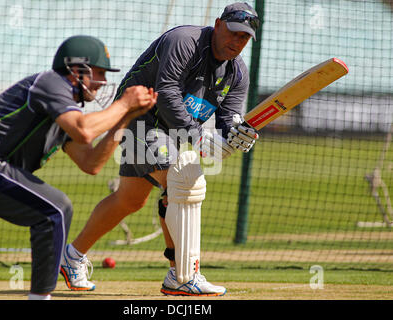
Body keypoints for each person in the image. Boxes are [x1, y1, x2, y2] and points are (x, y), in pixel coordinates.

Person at [61, 2, 260, 296]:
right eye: (233, 32)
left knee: (129, 200)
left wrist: (236, 134)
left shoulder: (237, 73)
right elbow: (166, 91)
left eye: (244, 38)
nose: (236, 42)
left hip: (172, 131)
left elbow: (227, 118)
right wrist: (198, 137)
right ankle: (182, 275)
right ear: (218, 24)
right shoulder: (185, 41)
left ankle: (71, 256)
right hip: (140, 115)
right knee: (183, 182)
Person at [0, 35, 157, 300]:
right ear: (76, 69)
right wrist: (123, 104)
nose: (103, 81)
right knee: (55, 209)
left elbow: (91, 163)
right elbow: (84, 131)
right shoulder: (51, 83)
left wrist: (125, 117)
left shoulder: (64, 109)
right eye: (99, 73)